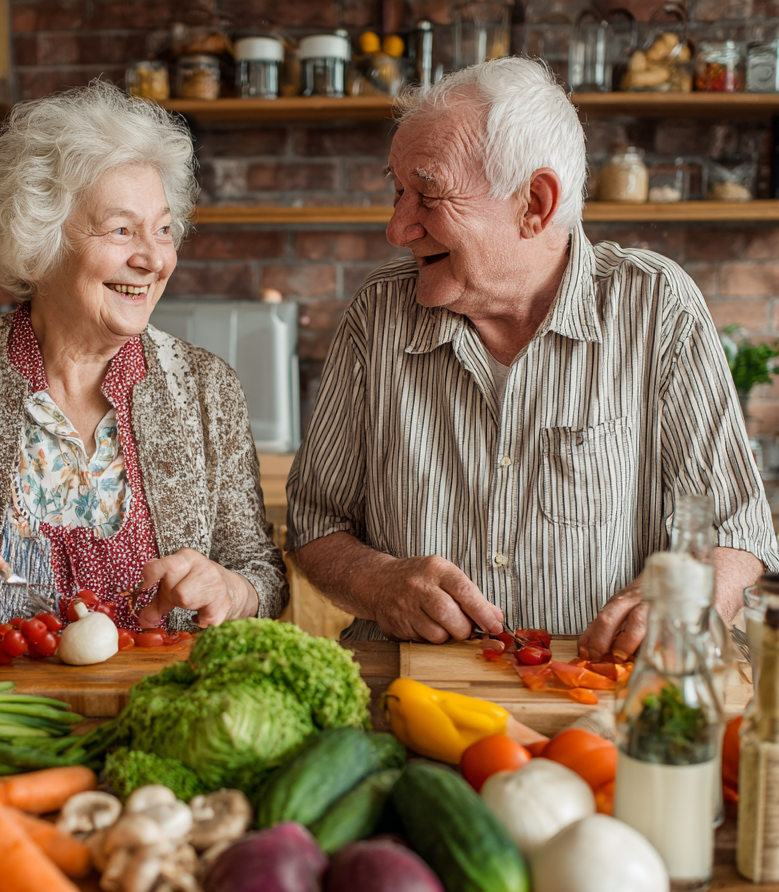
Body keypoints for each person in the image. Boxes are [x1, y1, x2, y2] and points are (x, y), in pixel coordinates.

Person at [287, 57, 779, 660]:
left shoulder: (656, 307)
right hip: (408, 700)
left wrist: (687, 598)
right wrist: (374, 581)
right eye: (397, 192)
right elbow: (316, 525)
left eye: (428, 193)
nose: (397, 228)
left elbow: (736, 529)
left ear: (535, 203)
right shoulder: (376, 315)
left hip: (597, 702)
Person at [0, 81, 286, 645]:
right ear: (40, 240)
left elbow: (262, 572)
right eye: (121, 230)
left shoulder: (206, 388)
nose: (154, 258)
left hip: (160, 710)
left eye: (163, 229)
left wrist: (232, 591)